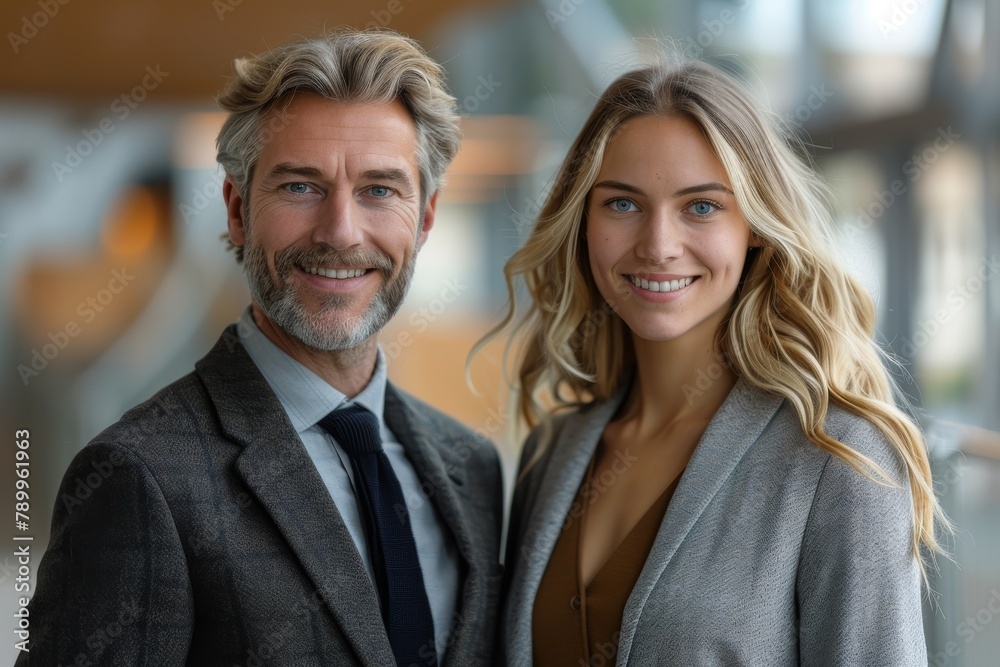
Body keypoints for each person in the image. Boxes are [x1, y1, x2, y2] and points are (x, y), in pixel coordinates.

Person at [21, 28, 503, 667]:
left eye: (380, 190)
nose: (339, 231)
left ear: (426, 217)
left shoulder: (473, 470)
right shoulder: (138, 478)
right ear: (238, 209)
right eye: (300, 186)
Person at [491, 59, 944, 665]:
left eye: (701, 207)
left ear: (754, 225)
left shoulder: (840, 462)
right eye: (622, 204)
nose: (657, 245)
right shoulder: (552, 453)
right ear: (582, 221)